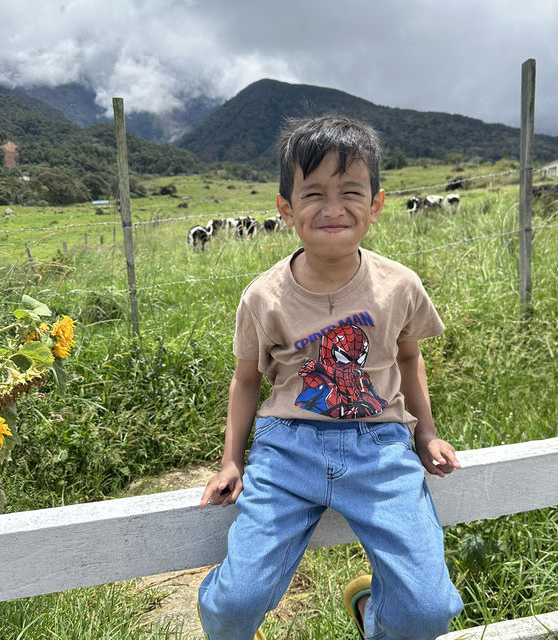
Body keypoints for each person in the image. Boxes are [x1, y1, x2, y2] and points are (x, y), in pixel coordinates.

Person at [197, 114, 463, 640]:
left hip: (381, 448)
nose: (333, 207)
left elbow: (408, 359)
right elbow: (246, 379)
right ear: (285, 208)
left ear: (377, 204)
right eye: (313, 192)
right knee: (235, 605)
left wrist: (425, 432)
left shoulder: (399, 286)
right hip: (286, 449)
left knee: (428, 610)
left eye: (350, 191)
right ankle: (220, 596)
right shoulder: (262, 296)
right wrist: (232, 460)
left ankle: (374, 616)